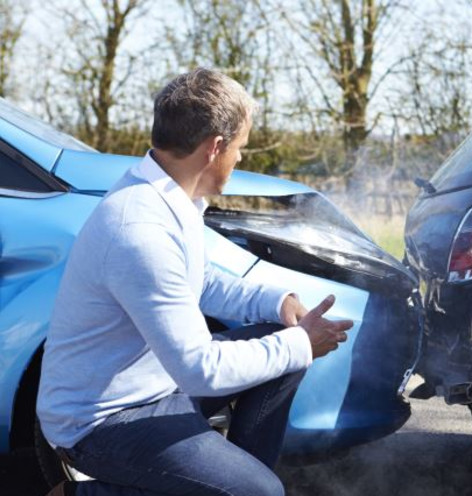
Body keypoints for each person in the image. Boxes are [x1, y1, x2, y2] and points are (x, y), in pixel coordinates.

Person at [37, 68, 353, 496]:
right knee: (262, 492)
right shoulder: (139, 228)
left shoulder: (168, 197)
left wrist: (278, 303)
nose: (240, 159)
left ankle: (225, 482)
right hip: (101, 421)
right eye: (240, 148)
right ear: (215, 147)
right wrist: (302, 343)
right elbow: (200, 370)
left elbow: (197, 282)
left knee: (282, 339)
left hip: (156, 384)